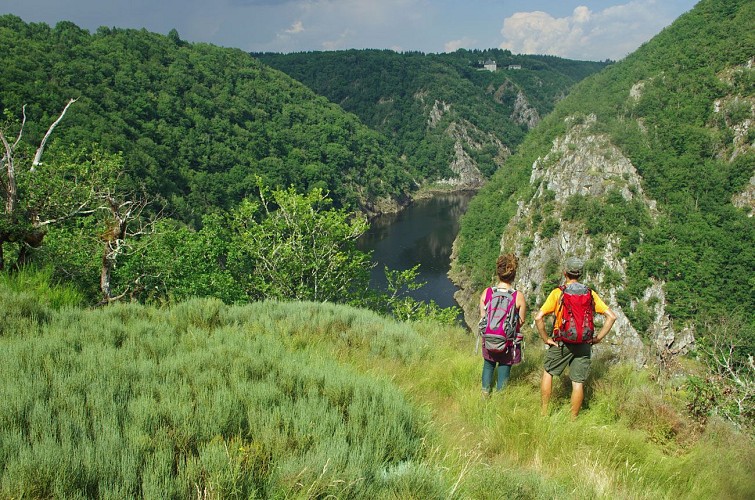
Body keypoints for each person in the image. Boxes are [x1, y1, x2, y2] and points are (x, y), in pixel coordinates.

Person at [534, 256, 617, 418]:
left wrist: (546, 339)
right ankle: (573, 420)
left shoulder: (558, 293)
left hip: (561, 343)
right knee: (577, 383)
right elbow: (611, 317)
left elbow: (538, 317)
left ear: (565, 273)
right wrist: (598, 338)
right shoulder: (590, 293)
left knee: (548, 373)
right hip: (584, 344)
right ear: (580, 274)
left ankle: (544, 413)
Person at [479, 253, 527, 396]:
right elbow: (522, 320)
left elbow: (483, 317)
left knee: (488, 365)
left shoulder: (487, 292)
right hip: (508, 342)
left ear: (498, 272)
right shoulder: (517, 296)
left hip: (489, 339)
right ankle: (501, 398)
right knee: (505, 367)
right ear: (513, 274)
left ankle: (484, 395)